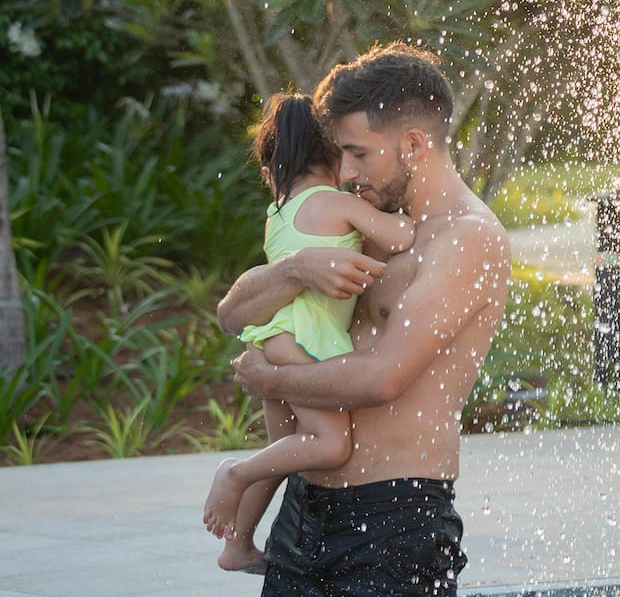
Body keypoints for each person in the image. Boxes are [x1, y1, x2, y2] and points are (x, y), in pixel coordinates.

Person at [218, 42, 511, 596]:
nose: (345, 172)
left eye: (358, 154)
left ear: (415, 145)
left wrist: (269, 380)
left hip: (393, 520)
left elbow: (383, 377)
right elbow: (233, 314)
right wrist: (297, 269)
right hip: (302, 510)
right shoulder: (366, 223)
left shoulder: (466, 238)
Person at [206, 92, 417, 573]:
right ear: (332, 155)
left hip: (274, 336)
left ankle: (237, 545)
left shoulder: (278, 213)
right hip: (305, 339)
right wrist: (407, 208)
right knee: (329, 444)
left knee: (284, 454)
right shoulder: (334, 202)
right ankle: (232, 472)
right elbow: (401, 237)